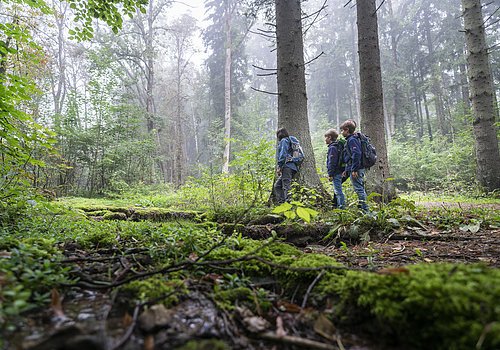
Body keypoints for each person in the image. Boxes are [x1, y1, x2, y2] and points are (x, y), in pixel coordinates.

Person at [340, 120, 369, 212]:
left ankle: (366, 211)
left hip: (357, 169)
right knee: (359, 188)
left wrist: (354, 169)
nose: (341, 133)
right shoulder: (352, 139)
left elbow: (356, 154)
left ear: (347, 130)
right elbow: (349, 157)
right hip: (354, 168)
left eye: (342, 130)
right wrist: (347, 170)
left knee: (359, 189)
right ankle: (362, 208)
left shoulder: (352, 140)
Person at [274, 128, 299, 204]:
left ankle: (288, 204)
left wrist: (279, 166)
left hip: (287, 166)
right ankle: (282, 202)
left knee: (286, 186)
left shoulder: (284, 141)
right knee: (277, 186)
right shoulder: (289, 141)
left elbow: (283, 154)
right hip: (292, 167)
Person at [325, 129, 345, 209]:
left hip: (336, 173)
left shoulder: (332, 148)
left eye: (326, 137)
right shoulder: (337, 146)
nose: (325, 139)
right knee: (337, 190)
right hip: (340, 171)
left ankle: (342, 208)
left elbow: (332, 162)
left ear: (330, 137)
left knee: (338, 191)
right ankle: (337, 206)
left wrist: (330, 174)